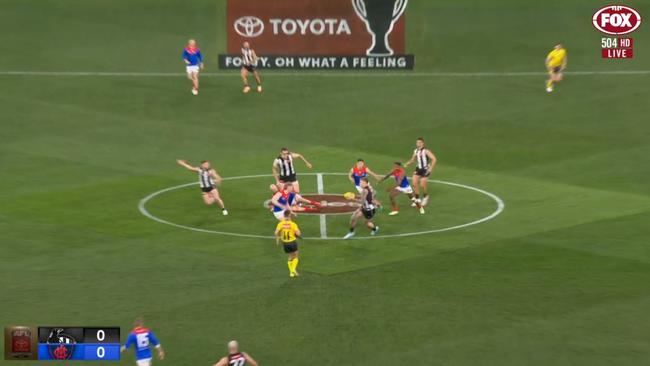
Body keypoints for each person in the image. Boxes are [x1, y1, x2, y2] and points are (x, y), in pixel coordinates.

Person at [404, 137, 437, 207]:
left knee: (422, 184)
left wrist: (430, 168)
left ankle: (425, 197)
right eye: (417, 142)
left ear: (422, 143)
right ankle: (417, 199)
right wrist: (407, 164)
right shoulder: (415, 151)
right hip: (418, 169)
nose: (417, 143)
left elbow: (434, 159)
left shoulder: (426, 151)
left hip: (425, 169)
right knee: (414, 183)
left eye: (419, 142)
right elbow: (413, 160)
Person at [275, 210, 302, 277]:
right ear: (289, 215)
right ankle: (292, 270)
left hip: (285, 243)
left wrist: (277, 239)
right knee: (295, 255)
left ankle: (291, 273)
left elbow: (276, 232)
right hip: (292, 242)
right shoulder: (293, 224)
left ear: (284, 215)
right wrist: (296, 234)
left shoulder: (281, 223)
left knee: (290, 256)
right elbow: (298, 233)